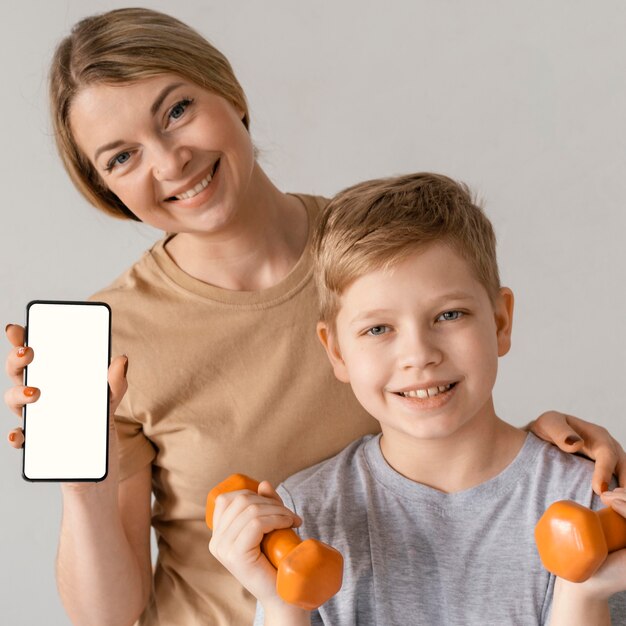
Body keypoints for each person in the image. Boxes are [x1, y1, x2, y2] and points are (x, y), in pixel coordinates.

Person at [3, 8, 625, 626]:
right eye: (120, 158)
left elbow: (456, 418)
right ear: (105, 189)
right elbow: (106, 616)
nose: (169, 163)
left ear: (228, 92)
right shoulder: (110, 337)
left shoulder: (376, 253)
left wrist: (553, 461)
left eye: (176, 111)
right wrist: (84, 487)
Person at [208, 172, 626, 625]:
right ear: (336, 351)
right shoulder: (303, 516)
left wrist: (585, 595)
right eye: (378, 329)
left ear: (501, 322)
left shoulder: (593, 497)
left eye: (449, 315)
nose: (419, 355)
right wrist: (280, 606)